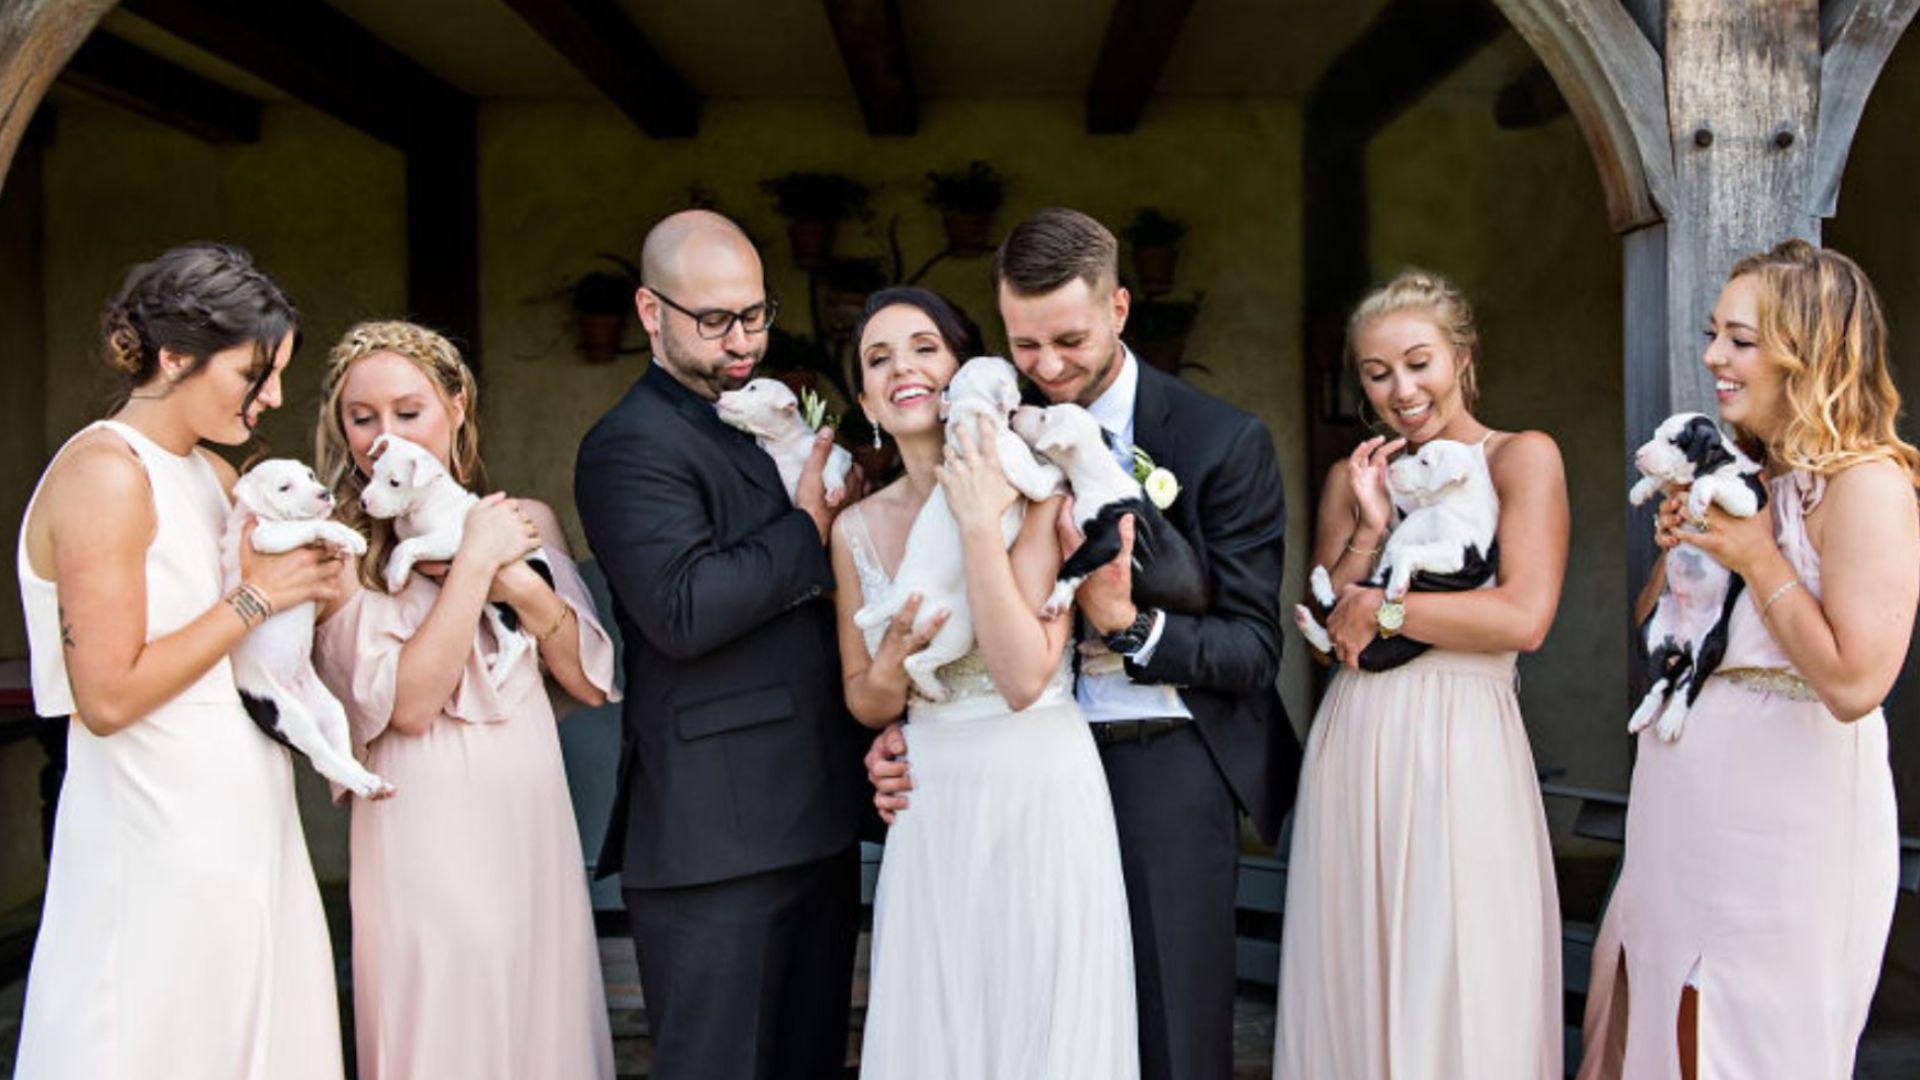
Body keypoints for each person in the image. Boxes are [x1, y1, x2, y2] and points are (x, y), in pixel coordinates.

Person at [867, 208, 1298, 1080]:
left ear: (1120, 310)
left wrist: (1127, 626)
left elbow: (1253, 652)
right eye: (1025, 347)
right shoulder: (995, 423)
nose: (1049, 368)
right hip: (1022, 772)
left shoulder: (1223, 442)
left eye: (1068, 339)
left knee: (1172, 1040)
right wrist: (897, 727)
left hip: (1164, 764)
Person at [1578, 240, 1917, 1080]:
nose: (1712, 358)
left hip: (1783, 823)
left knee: (1735, 1040)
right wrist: (1684, 556)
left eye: (1739, 340)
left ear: (1809, 351)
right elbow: (1657, 627)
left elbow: (1856, 681)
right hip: (1681, 802)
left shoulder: (1867, 484)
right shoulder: (1744, 475)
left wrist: (1758, 557)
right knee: (1646, 1018)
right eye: (1713, 334)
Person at [13, 242, 345, 1079]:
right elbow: (109, 695)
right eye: (252, 374)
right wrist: (256, 598)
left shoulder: (209, 471)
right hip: (153, 822)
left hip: (242, 811)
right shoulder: (106, 474)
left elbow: (249, 630)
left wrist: (312, 590)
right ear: (174, 358)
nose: (271, 398)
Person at [574, 210, 866, 1080]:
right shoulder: (630, 444)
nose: (742, 340)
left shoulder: (755, 416)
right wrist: (810, 528)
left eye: (754, 315)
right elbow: (683, 609)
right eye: (714, 320)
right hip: (712, 835)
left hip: (816, 813)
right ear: (649, 313)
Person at [835, 287, 1137, 1078]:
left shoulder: (1038, 486)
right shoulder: (854, 529)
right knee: (943, 1026)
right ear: (865, 398)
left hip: (1038, 781)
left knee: (1038, 1019)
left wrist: (975, 521)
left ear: (966, 372)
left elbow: (1020, 675)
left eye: (924, 346)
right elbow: (865, 699)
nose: (902, 365)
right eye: (878, 357)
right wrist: (894, 655)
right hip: (934, 802)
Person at [1272, 269, 1566, 1078]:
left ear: (1462, 357)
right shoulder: (1352, 476)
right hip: (1358, 734)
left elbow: (1523, 617)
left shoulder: (1520, 458)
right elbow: (1329, 637)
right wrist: (1370, 525)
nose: (1401, 390)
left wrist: (1389, 613)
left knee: (1463, 957)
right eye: (1377, 373)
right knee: (1354, 958)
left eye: (1418, 362)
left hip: (1464, 739)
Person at [310, 320, 617, 1080]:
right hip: (422, 815)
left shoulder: (527, 523)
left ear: (455, 406)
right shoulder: (340, 551)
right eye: (363, 417)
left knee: (537, 1012)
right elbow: (410, 704)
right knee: (446, 1014)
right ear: (341, 430)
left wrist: (513, 576)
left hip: (528, 806)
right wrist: (478, 563)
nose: (386, 436)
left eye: (408, 412)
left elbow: (586, 678)